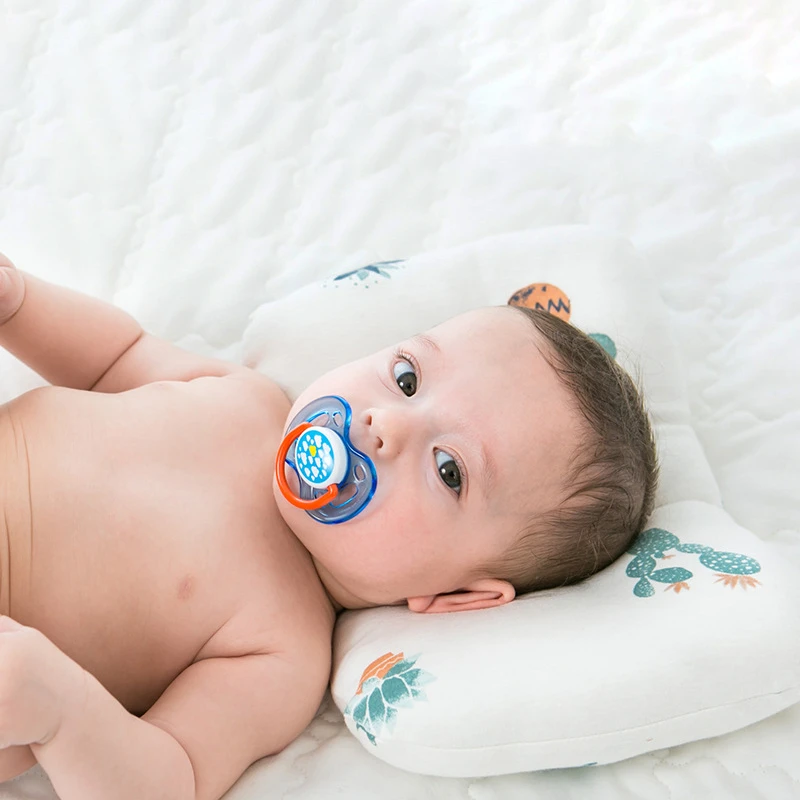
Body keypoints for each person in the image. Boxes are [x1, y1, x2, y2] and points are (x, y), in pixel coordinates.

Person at [0, 253, 658, 799]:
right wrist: (19, 302)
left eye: (449, 470)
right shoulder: (246, 397)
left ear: (460, 597)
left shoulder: (280, 650)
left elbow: (171, 774)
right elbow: (116, 356)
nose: (386, 425)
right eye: (406, 378)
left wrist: (55, 704)